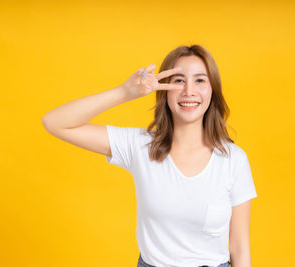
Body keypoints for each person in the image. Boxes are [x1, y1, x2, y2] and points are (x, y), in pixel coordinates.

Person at [42, 44, 257, 267]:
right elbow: (56, 123)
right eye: (178, 81)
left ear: (213, 90)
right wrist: (124, 92)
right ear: (164, 90)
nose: (189, 91)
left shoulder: (234, 159)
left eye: (200, 80)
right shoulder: (141, 146)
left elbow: (240, 248)